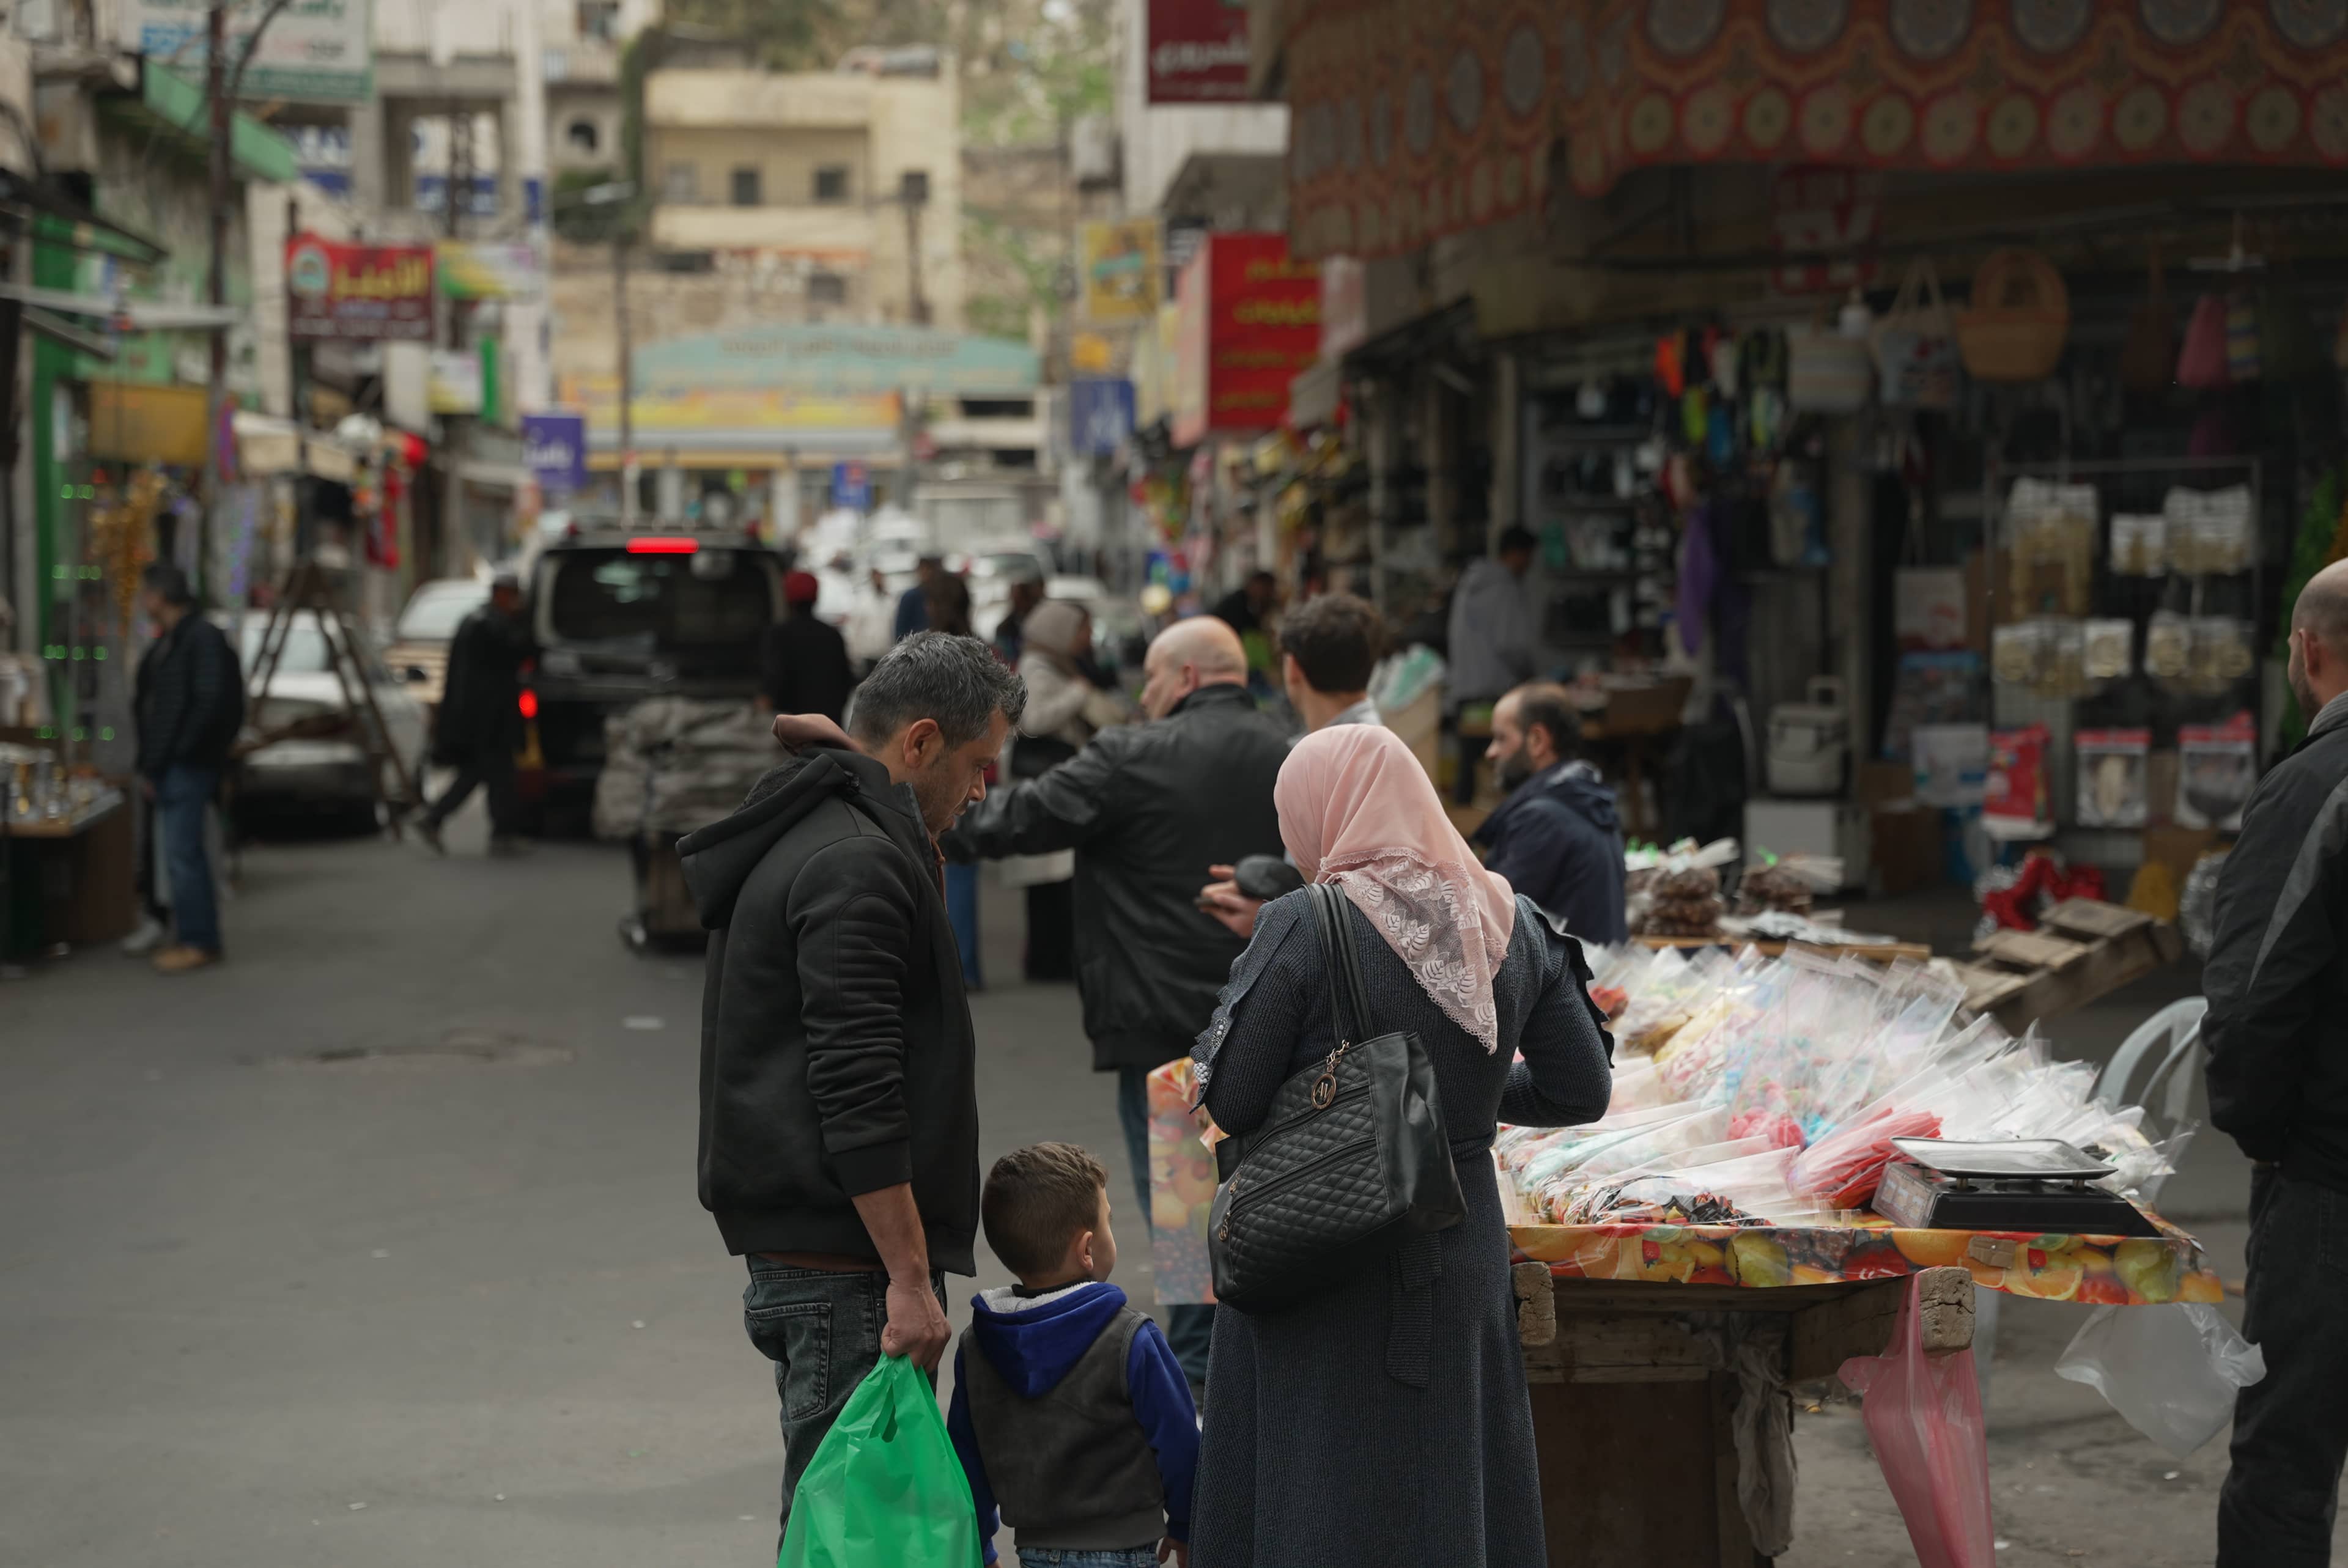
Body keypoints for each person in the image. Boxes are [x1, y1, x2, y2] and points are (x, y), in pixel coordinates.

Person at [1187, 724, 1614, 1567]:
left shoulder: (1305, 923)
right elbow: (1581, 1088)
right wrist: (1465, 1112)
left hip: (1322, 1242)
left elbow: (1233, 1101)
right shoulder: (1513, 919)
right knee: (1446, 1476)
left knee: (1318, 1484)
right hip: (1459, 1247)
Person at [678, 631, 1026, 1548]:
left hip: (822, 1254)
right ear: (919, 744)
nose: (984, 788)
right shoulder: (855, 858)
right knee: (853, 1533)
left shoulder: (828, 826)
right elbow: (857, 1086)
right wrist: (910, 1278)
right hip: (848, 1266)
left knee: (844, 1526)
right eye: (978, 763)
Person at [940, 616, 1290, 1386]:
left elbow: (1016, 821)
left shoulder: (1131, 756)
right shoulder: (1291, 752)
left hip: (1164, 1026)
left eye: (1154, 682)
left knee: (1185, 1216)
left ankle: (1203, 1393)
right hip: (1275, 1019)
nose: (1145, 697)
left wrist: (921, 813)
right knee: (1266, 1202)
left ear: (1187, 679)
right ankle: (1263, 1376)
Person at [2207, 557, 2348, 1566]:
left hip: (2329, 1189)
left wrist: (2267, 1143)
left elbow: (2256, 1012)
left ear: (2307, 651)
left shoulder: (2310, 792)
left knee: (2286, 1475)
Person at [946, 1143, 1198, 1568]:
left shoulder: (978, 1346)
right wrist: (1187, 1525)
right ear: (1087, 1248)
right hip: (1127, 1550)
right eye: (1108, 1222)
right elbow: (1180, 1443)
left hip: (1035, 1552)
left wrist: (982, 1545)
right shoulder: (1131, 1338)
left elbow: (964, 1456)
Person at [1194, 591, 1386, 940]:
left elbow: (1348, 901)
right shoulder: (1373, 744)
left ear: (1293, 667)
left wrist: (1272, 918)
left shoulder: (1328, 756)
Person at [1007, 600, 1131, 982]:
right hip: (1045, 781)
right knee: (1049, 881)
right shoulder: (1036, 667)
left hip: (1056, 782)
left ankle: (1054, 959)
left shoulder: (1060, 665)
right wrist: (1077, 695)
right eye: (1081, 629)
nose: (1086, 637)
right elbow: (1033, 719)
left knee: (1057, 878)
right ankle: (1048, 962)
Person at [131, 564, 243, 974]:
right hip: (174, 762)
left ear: (160, 596)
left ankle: (199, 940)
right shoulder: (178, 640)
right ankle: (193, 936)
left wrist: (182, 751)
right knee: (179, 854)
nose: (144, 602)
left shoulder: (199, 638)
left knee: (184, 854)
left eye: (147, 593)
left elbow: (209, 702)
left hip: (187, 764)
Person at [1475, 681, 1628, 946]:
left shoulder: (1543, 819)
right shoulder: (1586, 799)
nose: (1491, 752)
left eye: (1501, 738)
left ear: (1537, 740)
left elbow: (1493, 924)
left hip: (1572, 982)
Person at [415, 571, 531, 858]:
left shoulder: (481, 622)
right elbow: (515, 652)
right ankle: (438, 818)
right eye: (512, 595)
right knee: (488, 773)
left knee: (492, 774)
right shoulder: (487, 626)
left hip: (485, 718)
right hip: (486, 719)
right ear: (501, 594)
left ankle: (497, 832)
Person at [1445, 526, 1541, 803]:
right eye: (1529, 557)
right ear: (1516, 553)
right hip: (1493, 695)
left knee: (1470, 772)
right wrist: (1533, 677)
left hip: (1466, 692)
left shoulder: (1470, 584)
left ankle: (1460, 838)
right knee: (1505, 771)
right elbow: (1512, 645)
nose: (1530, 565)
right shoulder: (1503, 587)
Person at [759, 570, 855, 724]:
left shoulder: (778, 635)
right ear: (816, 598)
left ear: (788, 599)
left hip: (792, 729)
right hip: (829, 726)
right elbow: (846, 681)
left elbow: (774, 680)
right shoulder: (832, 636)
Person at [994, 574, 1047, 664]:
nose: (1016, 600)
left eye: (1020, 596)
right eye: (1014, 596)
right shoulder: (1005, 627)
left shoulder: (1039, 621)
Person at [895, 553, 945, 641]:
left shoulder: (944, 596)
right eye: (924, 570)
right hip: (916, 648)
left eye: (930, 570)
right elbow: (900, 632)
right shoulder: (910, 597)